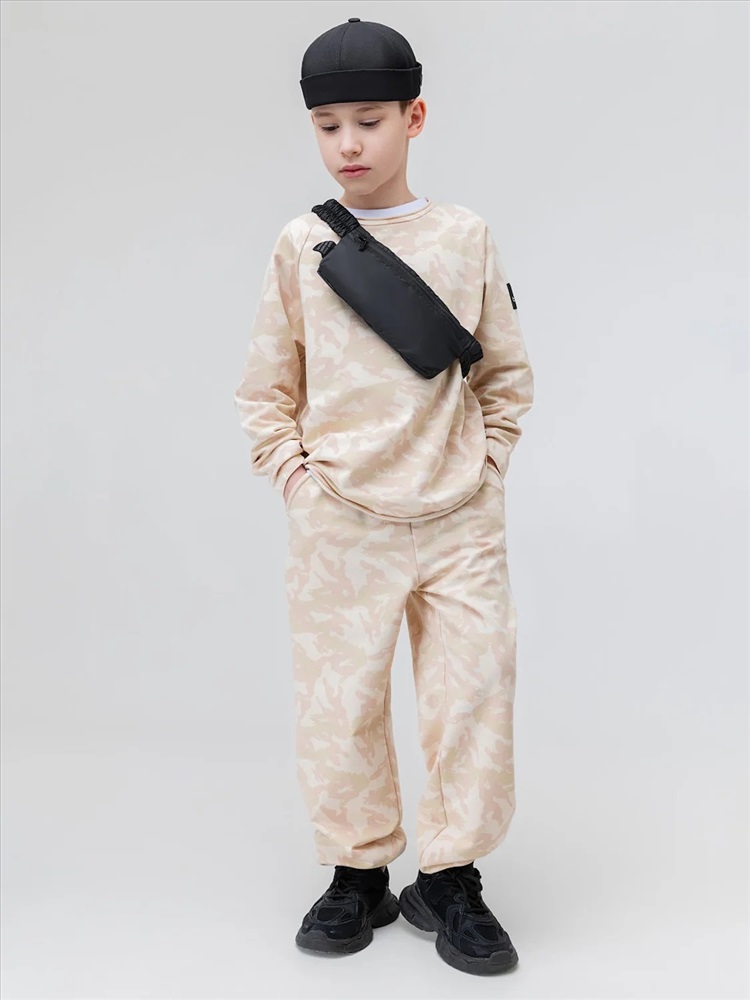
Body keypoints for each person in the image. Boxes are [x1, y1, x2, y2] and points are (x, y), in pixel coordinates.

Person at [233, 16, 534, 977]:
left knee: (472, 700)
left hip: (458, 518)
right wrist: (298, 482)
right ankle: (357, 873)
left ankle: (451, 878)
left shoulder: (465, 236)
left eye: (369, 120)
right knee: (342, 703)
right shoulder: (301, 245)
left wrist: (487, 469)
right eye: (328, 126)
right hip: (340, 520)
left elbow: (507, 376)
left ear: (416, 117)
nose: (348, 144)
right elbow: (265, 389)